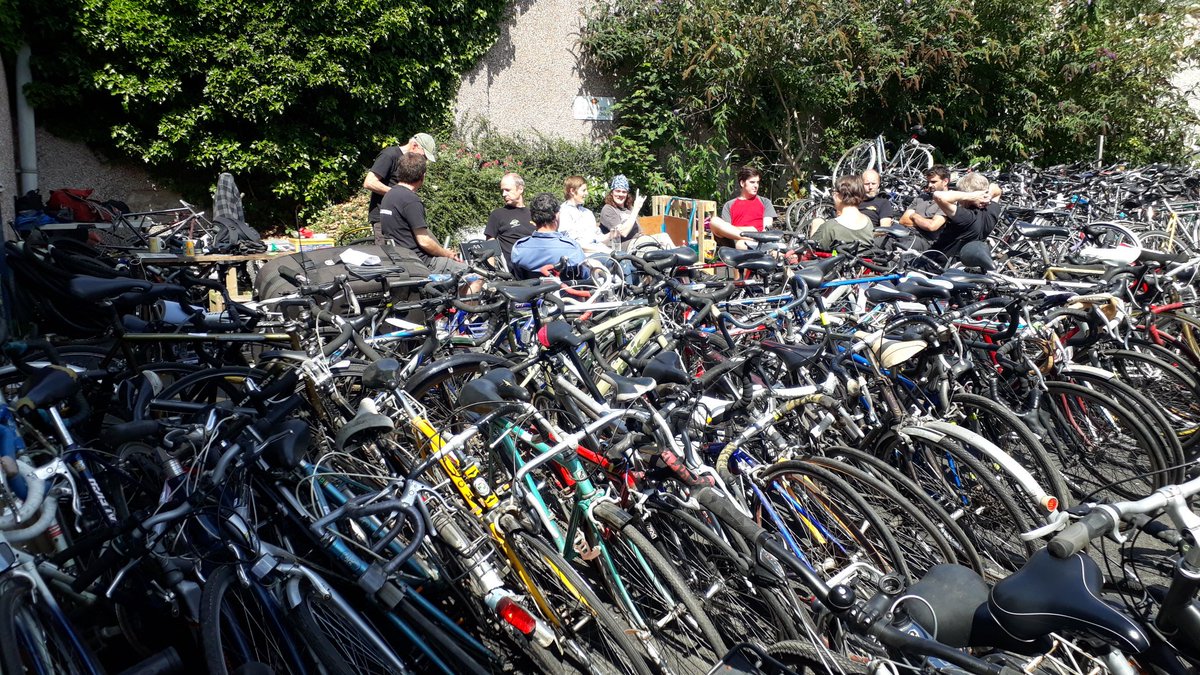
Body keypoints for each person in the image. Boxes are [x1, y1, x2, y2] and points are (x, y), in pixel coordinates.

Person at [377, 152, 469, 280]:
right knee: (472, 275)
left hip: (399, 259)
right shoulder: (411, 200)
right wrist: (447, 254)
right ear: (422, 176)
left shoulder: (389, 195)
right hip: (420, 262)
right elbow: (424, 242)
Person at [364, 133, 438, 243]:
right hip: (384, 219)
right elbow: (369, 182)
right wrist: (399, 195)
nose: (424, 161)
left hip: (404, 218)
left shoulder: (409, 162)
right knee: (391, 257)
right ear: (414, 146)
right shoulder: (389, 155)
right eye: (424, 156)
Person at [511, 193, 590, 279]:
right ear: (556, 216)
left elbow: (519, 278)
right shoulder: (572, 248)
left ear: (533, 218)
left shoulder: (519, 248)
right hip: (566, 291)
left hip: (532, 291)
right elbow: (585, 277)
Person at [931, 172, 1003, 257]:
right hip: (959, 263)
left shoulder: (966, 216)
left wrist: (970, 196)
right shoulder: (991, 210)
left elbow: (937, 195)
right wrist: (987, 194)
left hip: (934, 264)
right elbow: (997, 190)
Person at [709, 166, 778, 249]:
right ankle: (749, 237)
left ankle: (753, 240)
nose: (756, 185)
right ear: (742, 183)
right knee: (714, 221)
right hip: (736, 241)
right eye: (752, 182)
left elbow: (766, 229)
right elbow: (726, 230)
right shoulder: (729, 205)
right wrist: (749, 231)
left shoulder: (765, 202)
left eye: (757, 182)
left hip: (759, 242)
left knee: (742, 244)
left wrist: (754, 234)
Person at [809, 175, 874, 250]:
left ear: (838, 196)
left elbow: (812, 251)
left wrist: (816, 225)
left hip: (837, 260)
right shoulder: (868, 222)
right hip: (863, 261)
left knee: (817, 221)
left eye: (834, 193)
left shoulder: (830, 227)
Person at [483, 172, 534, 263]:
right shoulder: (498, 215)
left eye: (507, 190)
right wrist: (491, 272)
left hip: (538, 266)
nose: (503, 194)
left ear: (520, 189)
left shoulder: (533, 213)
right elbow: (489, 246)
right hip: (515, 271)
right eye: (502, 190)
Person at [898, 165, 951, 250]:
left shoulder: (947, 201)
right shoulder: (921, 197)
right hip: (904, 232)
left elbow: (932, 226)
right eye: (928, 182)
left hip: (924, 240)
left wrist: (914, 216)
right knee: (876, 244)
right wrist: (924, 222)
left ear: (945, 181)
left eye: (933, 182)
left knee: (897, 253)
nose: (929, 185)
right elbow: (903, 220)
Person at [558, 176, 612, 254]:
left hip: (601, 251)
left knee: (626, 258)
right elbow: (572, 243)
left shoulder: (587, 213)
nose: (586, 193)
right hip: (583, 256)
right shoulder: (563, 212)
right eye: (583, 190)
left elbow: (597, 238)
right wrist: (602, 250)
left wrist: (612, 234)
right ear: (572, 191)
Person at [598, 175, 647, 251]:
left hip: (639, 242)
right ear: (612, 192)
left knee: (663, 237)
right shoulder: (608, 209)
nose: (621, 194)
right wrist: (636, 209)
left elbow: (640, 232)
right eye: (618, 191)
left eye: (624, 192)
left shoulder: (629, 209)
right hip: (622, 247)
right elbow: (623, 232)